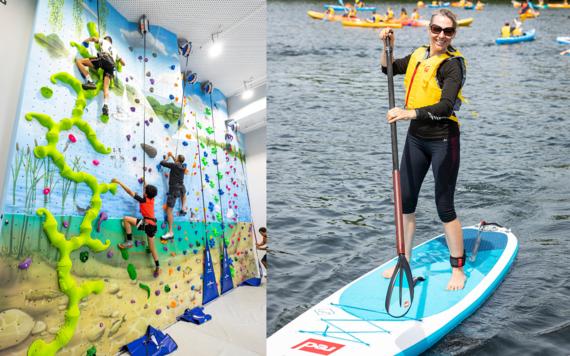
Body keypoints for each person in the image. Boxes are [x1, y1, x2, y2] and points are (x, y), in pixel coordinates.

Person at [379, 8, 475, 291]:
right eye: (437, 29)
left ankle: (458, 269)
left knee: (444, 207)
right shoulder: (419, 54)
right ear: (429, 29)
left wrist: (409, 113)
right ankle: (403, 261)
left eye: (448, 31)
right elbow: (388, 68)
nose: (441, 36)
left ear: (454, 34)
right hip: (416, 140)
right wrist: (388, 48)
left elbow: (446, 107)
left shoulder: (452, 65)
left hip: (443, 140)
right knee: (405, 203)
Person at [114, 178, 161, 274]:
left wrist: (119, 182)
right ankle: (158, 266)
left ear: (146, 194)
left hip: (147, 224)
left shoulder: (143, 200)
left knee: (126, 219)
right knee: (152, 248)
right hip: (153, 226)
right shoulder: (152, 199)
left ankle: (129, 241)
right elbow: (149, 190)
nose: (143, 191)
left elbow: (130, 192)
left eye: (144, 190)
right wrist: (145, 182)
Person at [76, 36, 125, 117]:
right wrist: (117, 64)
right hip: (111, 66)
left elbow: (93, 38)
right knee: (106, 87)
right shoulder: (115, 50)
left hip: (105, 59)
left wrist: (86, 41)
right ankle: (105, 105)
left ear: (106, 39)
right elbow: (123, 63)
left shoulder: (105, 41)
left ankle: (90, 82)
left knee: (79, 62)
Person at [160, 152, 187, 240]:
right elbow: (177, 163)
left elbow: (162, 163)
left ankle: (170, 232)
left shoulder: (174, 165)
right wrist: (172, 156)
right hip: (180, 190)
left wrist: (166, 158)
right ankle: (183, 208)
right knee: (184, 190)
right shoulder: (183, 167)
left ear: (177, 160)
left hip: (173, 190)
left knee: (169, 211)